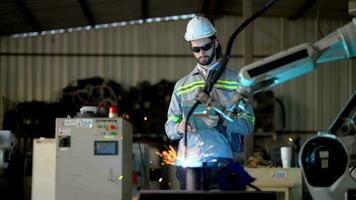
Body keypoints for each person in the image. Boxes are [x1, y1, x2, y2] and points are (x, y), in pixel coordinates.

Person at [165, 16, 255, 189]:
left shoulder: (236, 81)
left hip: (221, 158)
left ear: (215, 42)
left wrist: (222, 120)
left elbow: (248, 123)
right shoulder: (182, 85)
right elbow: (170, 125)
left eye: (205, 47)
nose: (201, 53)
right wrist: (179, 126)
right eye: (196, 49)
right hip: (188, 160)